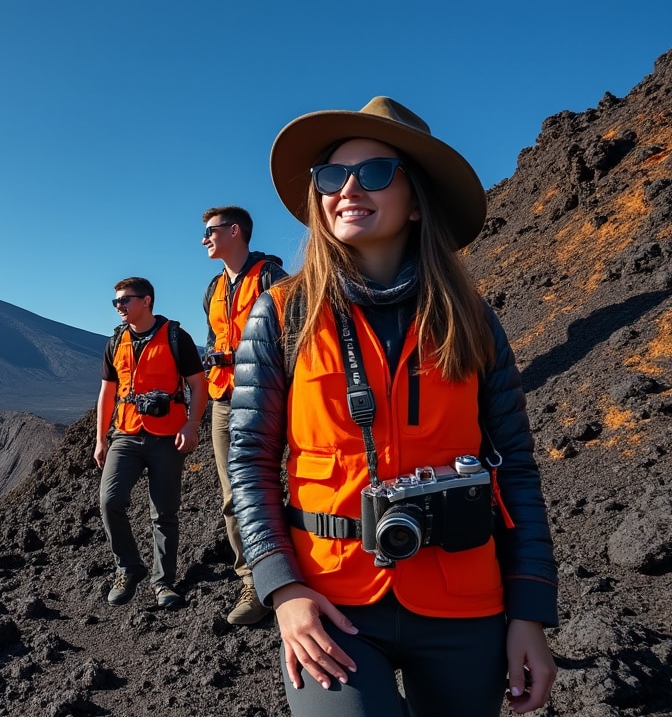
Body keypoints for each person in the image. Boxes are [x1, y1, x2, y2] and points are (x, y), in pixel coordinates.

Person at [227, 97, 559, 715]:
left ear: (415, 201)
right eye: (331, 176)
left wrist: (530, 611)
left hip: (465, 599)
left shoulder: (473, 320)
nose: (348, 188)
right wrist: (281, 587)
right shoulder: (282, 313)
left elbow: (515, 465)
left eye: (375, 172)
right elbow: (248, 461)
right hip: (331, 603)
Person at [94, 277, 207, 610]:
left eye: (125, 300)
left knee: (164, 512)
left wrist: (192, 424)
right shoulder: (116, 341)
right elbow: (107, 393)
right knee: (110, 499)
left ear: (146, 301)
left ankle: (164, 583)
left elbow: (198, 386)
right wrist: (100, 439)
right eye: (116, 302)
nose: (119, 307)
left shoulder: (176, 337)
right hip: (126, 434)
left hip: (168, 436)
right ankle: (129, 566)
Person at [200, 206, 287, 625]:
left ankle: (297, 572)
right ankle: (253, 580)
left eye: (210, 232)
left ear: (235, 231)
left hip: (269, 395)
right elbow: (215, 338)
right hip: (223, 400)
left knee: (285, 483)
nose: (204, 240)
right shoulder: (212, 290)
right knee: (233, 494)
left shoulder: (272, 279)